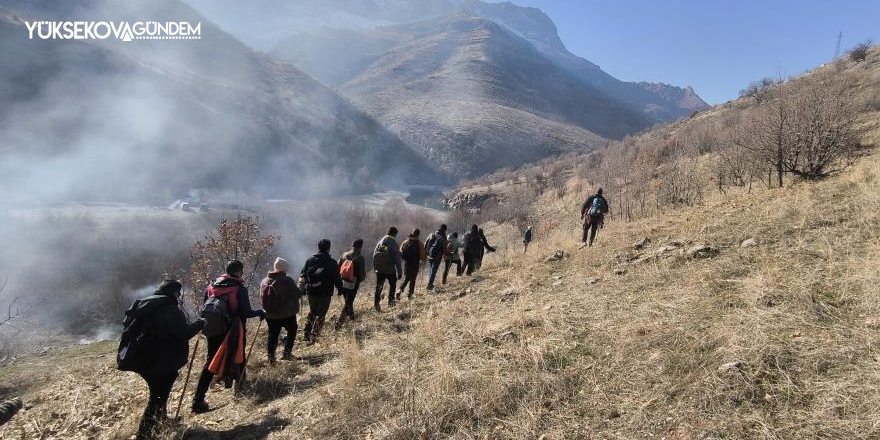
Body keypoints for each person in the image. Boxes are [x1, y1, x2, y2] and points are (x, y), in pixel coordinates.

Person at [126, 280, 203, 438]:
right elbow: (184, 333)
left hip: (143, 358)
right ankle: (145, 434)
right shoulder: (169, 309)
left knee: (158, 394)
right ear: (174, 292)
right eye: (178, 292)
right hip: (161, 361)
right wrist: (200, 323)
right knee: (158, 397)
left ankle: (160, 422)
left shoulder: (146, 305)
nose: (180, 295)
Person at [192, 260, 265, 414]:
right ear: (239, 272)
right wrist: (260, 312)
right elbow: (246, 312)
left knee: (210, 361)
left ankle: (197, 400)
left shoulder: (212, 286)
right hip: (233, 329)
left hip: (213, 328)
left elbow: (206, 305)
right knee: (238, 356)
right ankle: (240, 388)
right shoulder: (239, 288)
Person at [300, 239, 342, 344]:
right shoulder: (331, 262)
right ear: (329, 248)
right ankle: (314, 336)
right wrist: (340, 289)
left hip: (311, 291)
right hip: (325, 293)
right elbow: (336, 278)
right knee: (321, 314)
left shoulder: (309, 260)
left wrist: (303, 289)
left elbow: (303, 275)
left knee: (312, 311)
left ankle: (306, 333)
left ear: (318, 248)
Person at [261, 257, 301, 365]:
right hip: (287, 314)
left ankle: (271, 359)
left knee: (272, 336)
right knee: (292, 330)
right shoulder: (287, 280)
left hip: (270, 315)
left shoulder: (264, 281)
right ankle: (287, 354)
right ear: (284, 269)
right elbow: (298, 294)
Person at [336, 238, 367, 328]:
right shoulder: (360, 258)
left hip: (343, 282)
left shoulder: (344, 254)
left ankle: (352, 317)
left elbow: (338, 267)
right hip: (353, 283)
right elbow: (362, 274)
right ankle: (339, 323)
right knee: (348, 303)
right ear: (360, 247)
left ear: (352, 245)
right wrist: (358, 281)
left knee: (348, 301)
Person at [373, 227, 403, 311]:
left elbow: (374, 255)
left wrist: (376, 267)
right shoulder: (394, 244)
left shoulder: (380, 242)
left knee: (379, 287)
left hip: (380, 270)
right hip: (390, 270)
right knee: (392, 285)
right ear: (395, 234)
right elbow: (397, 259)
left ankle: (376, 304)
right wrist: (399, 272)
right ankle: (391, 302)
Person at [398, 229, 427, 299]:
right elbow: (423, 257)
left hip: (406, 264)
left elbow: (400, 251)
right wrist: (424, 259)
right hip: (415, 264)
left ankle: (399, 290)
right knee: (413, 280)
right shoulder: (419, 243)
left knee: (407, 278)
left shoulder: (405, 242)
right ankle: (410, 295)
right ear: (418, 235)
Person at [424, 224, 448, 290]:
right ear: (445, 230)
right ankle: (430, 285)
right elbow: (444, 249)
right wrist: (448, 254)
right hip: (437, 257)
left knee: (431, 270)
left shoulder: (432, 234)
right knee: (433, 271)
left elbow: (425, 243)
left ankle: (430, 283)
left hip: (429, 255)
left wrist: (426, 252)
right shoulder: (443, 238)